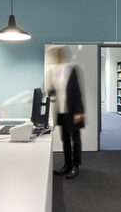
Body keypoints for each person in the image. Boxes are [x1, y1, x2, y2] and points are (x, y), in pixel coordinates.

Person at [46, 46, 85, 180]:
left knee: (75, 139)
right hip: (61, 112)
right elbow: (55, 90)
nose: (54, 57)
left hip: (73, 111)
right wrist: (49, 92)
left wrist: (79, 111)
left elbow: (77, 91)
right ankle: (67, 164)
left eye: (56, 54)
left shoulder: (71, 68)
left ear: (61, 55)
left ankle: (75, 165)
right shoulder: (53, 70)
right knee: (65, 139)